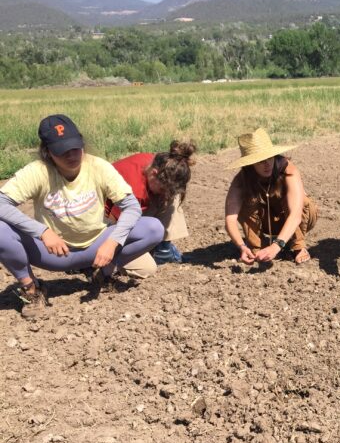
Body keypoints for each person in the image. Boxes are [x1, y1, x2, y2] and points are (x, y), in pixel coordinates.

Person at [0, 114, 164, 317]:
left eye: (75, 148)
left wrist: (113, 241)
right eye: (63, 152)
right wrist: (42, 231)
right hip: (53, 253)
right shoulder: (37, 172)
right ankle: (32, 290)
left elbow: (132, 207)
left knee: (154, 228)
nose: (71, 156)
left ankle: (102, 274)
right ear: (48, 152)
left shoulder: (98, 166)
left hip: (97, 246)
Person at [224, 128, 317, 266]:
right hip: (267, 223)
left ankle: (297, 246)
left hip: (297, 220)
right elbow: (230, 219)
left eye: (269, 158)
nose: (267, 164)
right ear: (250, 164)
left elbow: (296, 215)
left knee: (301, 200)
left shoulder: (288, 170)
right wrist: (241, 246)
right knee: (246, 201)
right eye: (260, 161)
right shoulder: (241, 181)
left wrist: (276, 246)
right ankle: (256, 247)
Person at [106, 140, 197, 278]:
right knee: (146, 269)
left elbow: (167, 188)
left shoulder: (160, 162)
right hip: (103, 223)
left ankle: (162, 249)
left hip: (126, 209)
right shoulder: (134, 192)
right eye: (161, 189)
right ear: (153, 173)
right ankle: (86, 263)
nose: (165, 195)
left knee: (173, 193)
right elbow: (115, 227)